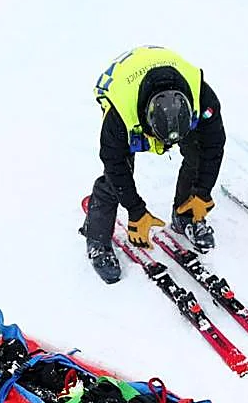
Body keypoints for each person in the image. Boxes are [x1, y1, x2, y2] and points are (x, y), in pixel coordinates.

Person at [81, 46, 226, 283]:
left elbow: (214, 146)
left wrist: (202, 192)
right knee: (116, 177)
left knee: (197, 154)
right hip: (122, 84)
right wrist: (136, 210)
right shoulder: (120, 113)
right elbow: (113, 164)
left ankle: (185, 215)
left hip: (167, 81)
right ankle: (97, 238)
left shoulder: (203, 97)